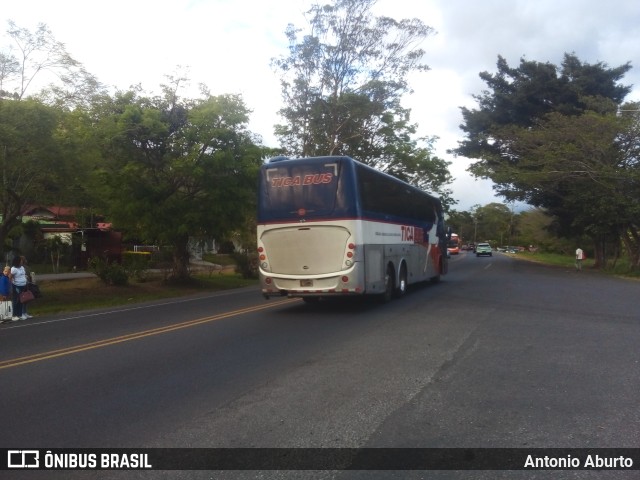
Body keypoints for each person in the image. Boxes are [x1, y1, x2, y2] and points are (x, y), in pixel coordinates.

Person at [10, 256, 28, 321]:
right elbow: (10, 277)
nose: (22, 261)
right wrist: (11, 286)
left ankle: (20, 314)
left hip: (23, 285)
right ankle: (14, 315)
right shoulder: (13, 269)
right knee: (16, 300)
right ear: (17, 261)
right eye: (20, 260)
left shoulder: (22, 267)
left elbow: (23, 275)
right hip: (17, 286)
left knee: (21, 300)